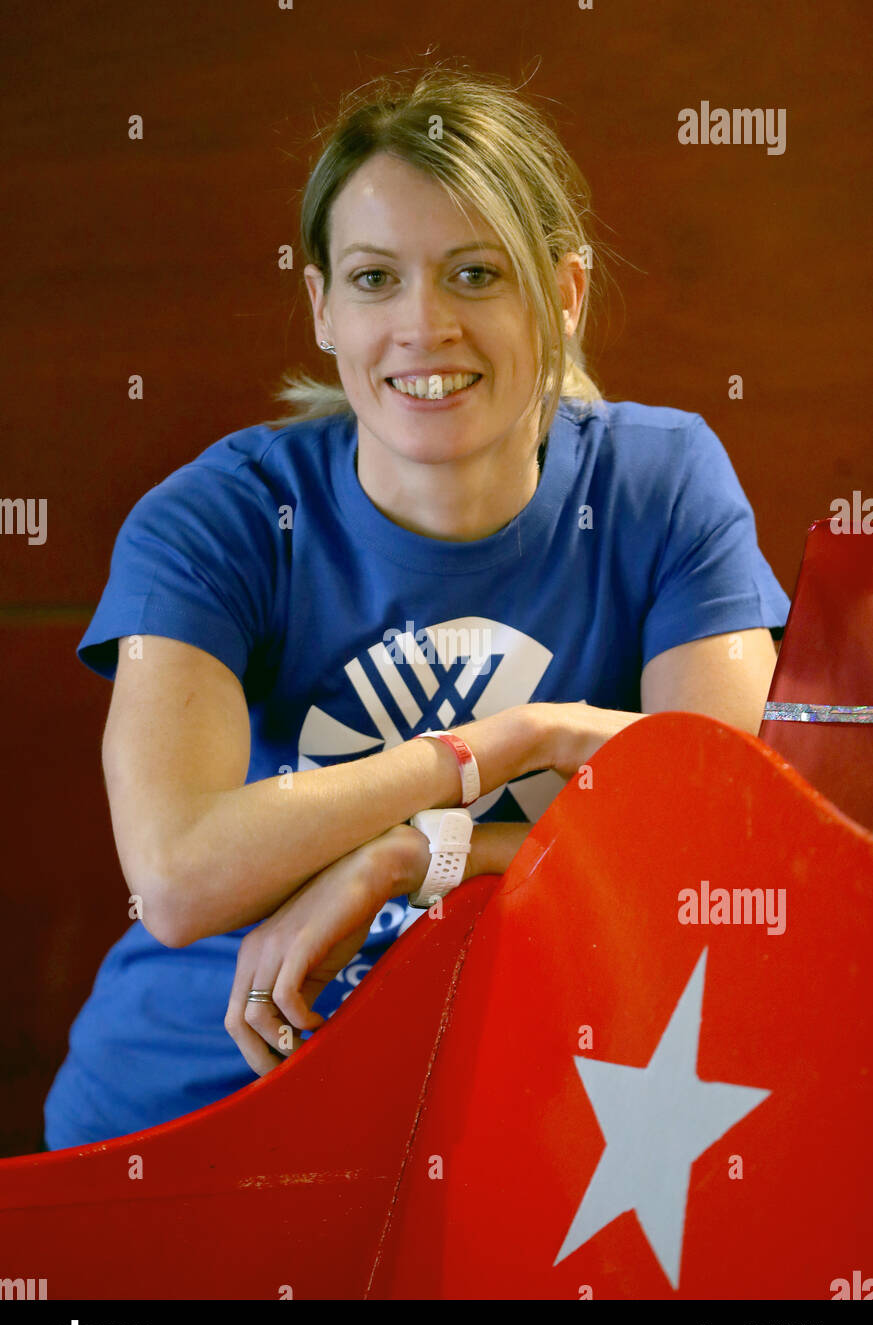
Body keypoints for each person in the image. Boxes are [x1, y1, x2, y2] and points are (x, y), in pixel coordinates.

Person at [43, 66, 790, 1150]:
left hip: (560, 1117)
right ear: (322, 305)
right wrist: (509, 745)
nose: (423, 325)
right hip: (206, 1095)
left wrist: (417, 852)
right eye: (376, 278)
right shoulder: (219, 517)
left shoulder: (661, 483)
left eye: (475, 274)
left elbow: (721, 847)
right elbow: (177, 875)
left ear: (564, 293)